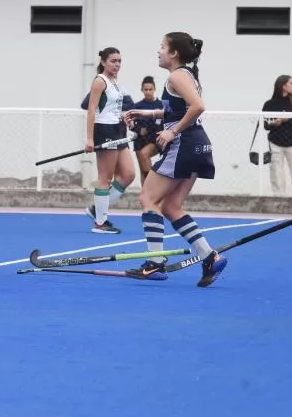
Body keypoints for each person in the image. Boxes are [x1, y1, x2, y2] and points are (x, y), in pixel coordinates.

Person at [123, 32, 227, 287]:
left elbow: (198, 106)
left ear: (174, 53)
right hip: (198, 144)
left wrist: (172, 131)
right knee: (171, 207)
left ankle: (155, 263)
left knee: (148, 198)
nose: (158, 51)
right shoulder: (187, 75)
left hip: (184, 143)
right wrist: (144, 112)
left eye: (162, 47)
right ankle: (210, 256)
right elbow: (176, 108)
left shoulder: (176, 75)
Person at [83, 47, 135, 234]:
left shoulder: (115, 82)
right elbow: (91, 110)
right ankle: (100, 223)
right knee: (105, 178)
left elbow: (114, 108)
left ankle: (97, 210)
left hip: (118, 129)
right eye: (113, 61)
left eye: (119, 61)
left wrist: (125, 118)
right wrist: (89, 138)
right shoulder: (100, 81)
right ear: (104, 62)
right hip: (104, 129)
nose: (117, 64)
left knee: (128, 174)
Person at [262, 75, 292, 195]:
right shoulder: (269, 104)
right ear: (283, 86)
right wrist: (275, 123)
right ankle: (278, 197)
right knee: (276, 172)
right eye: (291, 83)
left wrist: (287, 119)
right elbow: (265, 125)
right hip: (275, 143)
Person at [131, 75, 163, 184]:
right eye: (145, 89)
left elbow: (165, 122)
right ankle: (145, 197)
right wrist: (139, 129)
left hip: (154, 140)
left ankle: (154, 185)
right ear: (142, 90)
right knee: (142, 171)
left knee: (144, 154)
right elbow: (130, 123)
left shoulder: (160, 105)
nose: (148, 92)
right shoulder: (137, 106)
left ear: (154, 89)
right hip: (139, 141)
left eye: (150, 89)